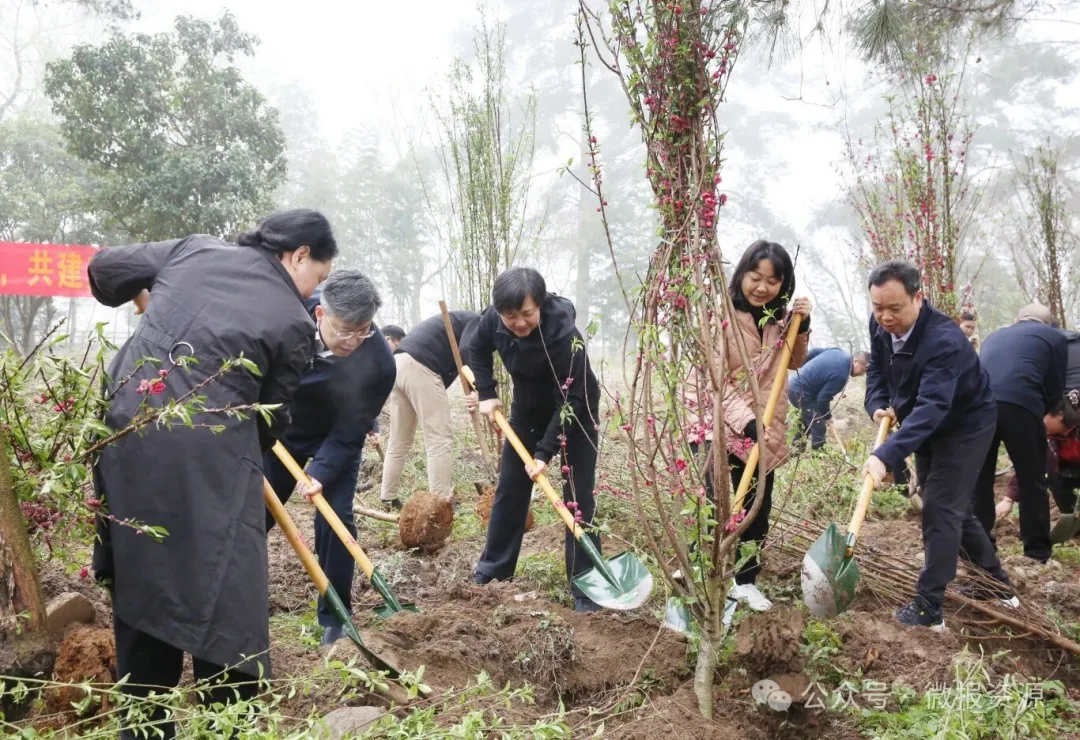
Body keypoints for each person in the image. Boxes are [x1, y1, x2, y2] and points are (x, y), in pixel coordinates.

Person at [87, 209, 337, 738]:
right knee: (225, 596)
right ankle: (228, 724)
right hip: (213, 468)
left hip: (128, 439)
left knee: (145, 578)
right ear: (298, 256)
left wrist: (143, 291)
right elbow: (271, 419)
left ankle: (145, 727)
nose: (313, 292)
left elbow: (104, 269)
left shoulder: (194, 249)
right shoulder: (293, 322)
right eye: (318, 277)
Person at [862, 259, 1015, 631]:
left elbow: (934, 407)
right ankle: (998, 586)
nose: (885, 317)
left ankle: (929, 608)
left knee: (941, 508)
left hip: (965, 423)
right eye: (878, 308)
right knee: (947, 505)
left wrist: (886, 454)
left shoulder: (944, 340)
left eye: (895, 308)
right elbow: (877, 369)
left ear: (918, 298)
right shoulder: (880, 323)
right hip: (924, 420)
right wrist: (877, 404)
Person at [263, 269, 395, 645]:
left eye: (363, 330)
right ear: (320, 314)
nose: (353, 341)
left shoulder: (380, 363)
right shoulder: (285, 317)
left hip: (336, 434)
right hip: (283, 429)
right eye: (345, 330)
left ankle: (335, 617)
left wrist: (321, 471)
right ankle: (237, 597)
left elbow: (353, 429)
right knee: (253, 514)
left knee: (336, 519)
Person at [464, 267, 601, 612]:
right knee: (510, 489)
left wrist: (544, 452)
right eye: (510, 316)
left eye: (527, 314)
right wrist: (487, 392)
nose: (519, 323)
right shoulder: (493, 320)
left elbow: (572, 401)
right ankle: (493, 571)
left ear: (540, 304)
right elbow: (475, 347)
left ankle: (587, 587)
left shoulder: (565, 336)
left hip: (576, 413)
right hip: (526, 413)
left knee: (578, 498)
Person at [707, 240, 811, 611]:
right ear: (741, 275)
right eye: (755, 277)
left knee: (756, 507)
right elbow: (713, 380)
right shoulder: (720, 316)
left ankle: (745, 581)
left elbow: (794, 362)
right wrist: (746, 421)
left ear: (784, 284)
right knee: (714, 501)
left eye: (772, 281)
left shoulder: (781, 321)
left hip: (766, 425)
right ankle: (705, 573)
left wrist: (801, 326)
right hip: (720, 422)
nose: (762, 287)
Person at [971, 303, 1067, 563]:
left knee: (980, 480)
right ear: (1048, 323)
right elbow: (1055, 386)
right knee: (1031, 479)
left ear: (1017, 319)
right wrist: (1039, 412)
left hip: (979, 407)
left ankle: (980, 550)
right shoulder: (1055, 337)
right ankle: (1036, 552)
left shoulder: (994, 336)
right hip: (1022, 404)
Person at [380, 309, 481, 506]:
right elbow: (467, 350)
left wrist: (471, 390)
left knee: (399, 438)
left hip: (399, 364)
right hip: (421, 366)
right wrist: (479, 388)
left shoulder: (460, 321)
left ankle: (388, 497)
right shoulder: (477, 321)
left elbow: (460, 359)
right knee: (439, 438)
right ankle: (440, 501)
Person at [997, 393, 1080, 526]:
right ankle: (1072, 519)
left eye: (1043, 417)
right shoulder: (1045, 437)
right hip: (1070, 471)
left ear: (1060, 415)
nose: (1039, 422)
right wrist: (1008, 499)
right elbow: (1028, 463)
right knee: (1053, 477)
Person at [788, 348, 869, 451]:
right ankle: (818, 456)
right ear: (856, 361)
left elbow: (813, 352)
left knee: (807, 421)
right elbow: (823, 399)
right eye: (862, 370)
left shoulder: (838, 351)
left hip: (796, 385)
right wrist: (827, 416)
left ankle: (795, 452)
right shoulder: (842, 375)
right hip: (800, 392)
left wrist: (805, 370)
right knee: (819, 425)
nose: (862, 374)